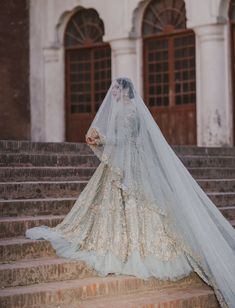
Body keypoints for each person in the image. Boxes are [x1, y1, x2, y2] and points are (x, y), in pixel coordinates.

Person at [26, 77, 235, 308]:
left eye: (116, 88)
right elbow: (118, 141)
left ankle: (138, 247)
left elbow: (125, 140)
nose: (113, 91)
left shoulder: (131, 110)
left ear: (126, 90)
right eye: (113, 88)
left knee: (139, 201)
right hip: (119, 162)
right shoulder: (122, 109)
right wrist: (98, 140)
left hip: (132, 164)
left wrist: (101, 138)